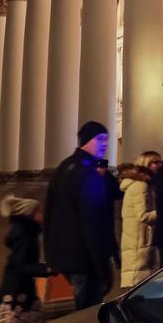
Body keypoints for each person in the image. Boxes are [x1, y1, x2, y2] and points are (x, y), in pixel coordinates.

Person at [44, 121, 119, 310]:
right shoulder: (87, 173)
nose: (105, 144)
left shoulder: (64, 167)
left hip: (67, 255)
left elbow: (49, 213)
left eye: (107, 140)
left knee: (82, 306)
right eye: (101, 139)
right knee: (88, 312)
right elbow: (92, 221)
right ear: (88, 140)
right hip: (85, 257)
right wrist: (101, 263)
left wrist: (50, 253)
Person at [118, 152, 160, 287]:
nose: (159, 165)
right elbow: (143, 216)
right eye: (155, 162)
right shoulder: (140, 185)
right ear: (146, 164)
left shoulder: (144, 183)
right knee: (137, 282)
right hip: (139, 241)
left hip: (139, 240)